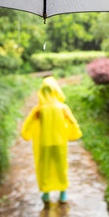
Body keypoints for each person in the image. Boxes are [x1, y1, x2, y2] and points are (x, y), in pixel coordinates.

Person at [22, 76, 82, 204]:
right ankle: (63, 193)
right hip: (60, 143)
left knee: (45, 168)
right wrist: (74, 134)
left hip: (45, 143)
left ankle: (46, 193)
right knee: (61, 167)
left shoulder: (39, 109)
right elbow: (72, 122)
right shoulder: (62, 108)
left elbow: (28, 124)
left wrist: (26, 135)